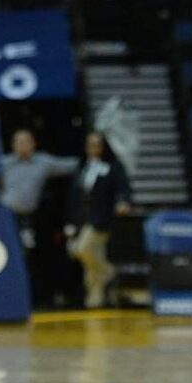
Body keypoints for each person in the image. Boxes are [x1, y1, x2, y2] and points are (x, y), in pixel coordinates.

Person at [0, 128, 78, 307]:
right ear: (13, 145)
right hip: (4, 218)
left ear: (33, 143)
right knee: (4, 255)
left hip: (30, 219)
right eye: (18, 142)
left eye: (26, 141)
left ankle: (35, 298)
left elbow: (72, 165)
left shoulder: (43, 162)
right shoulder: (3, 163)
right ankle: (7, 299)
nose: (22, 145)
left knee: (30, 258)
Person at [65, 131, 131, 309]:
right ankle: (96, 299)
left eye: (96, 144)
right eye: (89, 144)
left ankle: (109, 272)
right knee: (91, 262)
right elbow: (74, 196)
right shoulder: (83, 167)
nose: (92, 148)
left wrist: (123, 202)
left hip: (101, 219)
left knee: (83, 250)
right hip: (81, 219)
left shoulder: (114, 166)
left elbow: (123, 188)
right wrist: (71, 221)